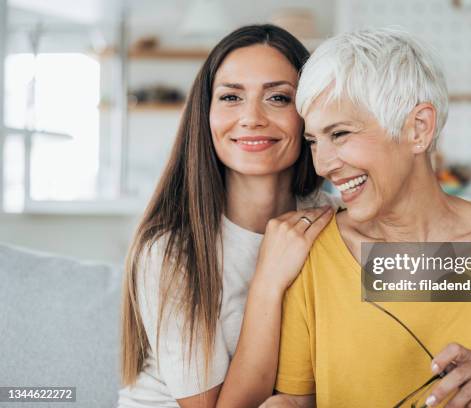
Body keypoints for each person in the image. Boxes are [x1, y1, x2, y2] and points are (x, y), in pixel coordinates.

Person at [263, 28, 471, 408]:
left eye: (339, 133)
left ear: (418, 127)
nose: (322, 163)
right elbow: (295, 400)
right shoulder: (312, 249)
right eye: (313, 141)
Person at [118, 24, 338, 408]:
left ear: (308, 113)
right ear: (206, 113)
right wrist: (269, 278)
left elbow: (454, 279)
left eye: (278, 98)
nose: (251, 117)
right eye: (232, 96)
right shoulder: (170, 252)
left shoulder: (334, 221)